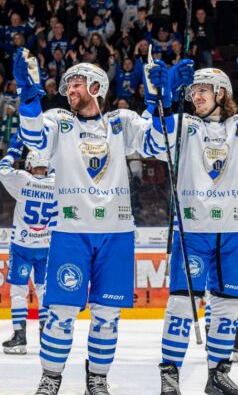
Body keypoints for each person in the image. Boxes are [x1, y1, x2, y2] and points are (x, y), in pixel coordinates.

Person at [14, 47, 173, 395]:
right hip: (70, 232)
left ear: (96, 87)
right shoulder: (59, 121)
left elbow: (160, 145)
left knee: (108, 313)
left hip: (117, 233)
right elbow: (34, 138)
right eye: (68, 86)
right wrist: (28, 99)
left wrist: (163, 103)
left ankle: (97, 379)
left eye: (76, 84)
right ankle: (51, 377)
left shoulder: (121, 121)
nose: (69, 90)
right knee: (60, 311)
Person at [154, 43, 238, 395]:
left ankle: (217, 373)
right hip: (192, 231)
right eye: (192, 91)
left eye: (202, 90)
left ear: (221, 93)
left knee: (229, 306)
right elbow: (156, 139)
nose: (195, 96)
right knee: (181, 303)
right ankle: (169, 373)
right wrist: (166, 99)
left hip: (232, 233)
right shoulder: (184, 125)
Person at [0, 133, 55, 354]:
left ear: (29, 165)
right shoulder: (57, 182)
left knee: (18, 291)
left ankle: (19, 337)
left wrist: (13, 151)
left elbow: (1, 170)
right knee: (43, 290)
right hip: (47, 246)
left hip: (22, 246)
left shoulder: (22, 179)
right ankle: (46, 335)